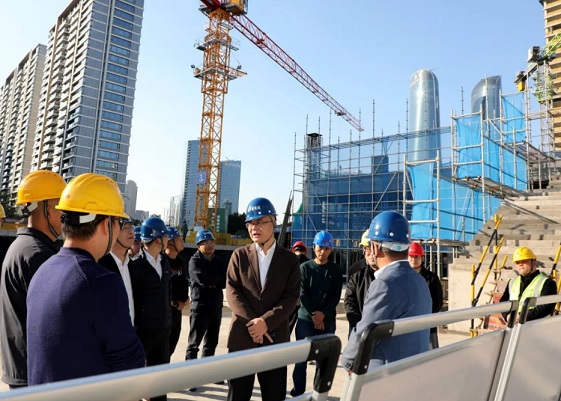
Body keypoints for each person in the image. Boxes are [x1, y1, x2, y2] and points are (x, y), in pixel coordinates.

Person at [26, 173, 145, 385]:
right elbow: (130, 364)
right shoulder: (101, 282)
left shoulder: (42, 271)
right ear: (105, 225)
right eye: (119, 221)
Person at [226, 197, 300, 401]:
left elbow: (291, 296)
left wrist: (266, 323)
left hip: (274, 340)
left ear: (273, 222)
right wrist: (254, 324)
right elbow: (232, 292)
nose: (254, 227)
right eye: (250, 223)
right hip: (242, 338)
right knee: (237, 396)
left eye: (260, 222)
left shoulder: (289, 260)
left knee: (274, 395)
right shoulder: (239, 256)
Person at [341, 211, 432, 371]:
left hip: (386, 374)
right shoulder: (420, 281)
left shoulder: (385, 284)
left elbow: (365, 332)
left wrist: (348, 361)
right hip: (413, 370)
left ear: (375, 247)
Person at [0, 170, 66, 389]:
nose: (66, 215)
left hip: (23, 371)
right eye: (61, 206)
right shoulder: (37, 255)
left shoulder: (22, 247)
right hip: (35, 377)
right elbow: (55, 325)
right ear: (47, 208)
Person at [290, 231, 342, 397]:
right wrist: (314, 315)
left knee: (324, 361)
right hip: (305, 319)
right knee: (301, 359)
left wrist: (323, 315)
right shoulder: (305, 268)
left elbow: (335, 296)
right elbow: (302, 294)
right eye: (320, 248)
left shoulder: (335, 270)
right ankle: (298, 392)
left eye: (326, 249)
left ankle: (320, 394)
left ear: (331, 250)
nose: (322, 252)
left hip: (327, 320)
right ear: (314, 247)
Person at [129, 216, 172, 401]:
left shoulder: (165, 263)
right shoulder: (136, 267)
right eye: (165, 236)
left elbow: (167, 294)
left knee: (160, 384)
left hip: (163, 332)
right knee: (135, 384)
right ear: (158, 239)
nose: (168, 240)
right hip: (143, 334)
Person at [185, 229, 227, 391]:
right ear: (198, 246)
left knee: (211, 342)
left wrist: (214, 282)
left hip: (215, 305)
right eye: (205, 243)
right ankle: (189, 377)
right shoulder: (194, 261)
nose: (209, 245)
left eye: (211, 242)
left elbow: (225, 280)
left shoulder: (219, 260)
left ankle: (207, 373)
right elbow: (204, 280)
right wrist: (215, 281)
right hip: (200, 306)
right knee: (194, 343)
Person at [499, 246, 557, 322]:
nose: (520, 264)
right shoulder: (512, 282)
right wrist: (507, 316)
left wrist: (521, 316)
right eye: (517, 262)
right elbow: (503, 302)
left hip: (536, 327)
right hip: (514, 326)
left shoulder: (547, 283)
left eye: (524, 261)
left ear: (534, 262)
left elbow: (547, 307)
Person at [98, 218, 136, 325]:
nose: (131, 231)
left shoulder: (133, 266)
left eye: (131, 226)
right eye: (125, 227)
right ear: (111, 230)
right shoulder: (100, 267)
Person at [408, 242, 443, 349]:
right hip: (407, 325)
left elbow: (437, 303)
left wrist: (424, 316)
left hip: (427, 325)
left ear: (422, 258)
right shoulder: (402, 277)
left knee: (429, 354)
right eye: (411, 257)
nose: (414, 260)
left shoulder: (431, 278)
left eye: (416, 257)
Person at [344, 229, 378, 336]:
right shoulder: (355, 271)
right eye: (368, 248)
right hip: (358, 330)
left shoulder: (389, 273)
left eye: (374, 248)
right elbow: (350, 301)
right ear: (363, 250)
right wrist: (359, 326)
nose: (371, 253)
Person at [166, 226, 189, 358]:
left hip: (177, 311)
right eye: (179, 239)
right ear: (170, 242)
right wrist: (174, 303)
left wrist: (184, 299)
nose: (182, 242)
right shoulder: (163, 261)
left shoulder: (180, 261)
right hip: (168, 311)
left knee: (171, 345)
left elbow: (182, 282)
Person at [289, 240, 309, 334]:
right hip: (306, 302)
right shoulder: (309, 263)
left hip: (292, 300)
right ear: (305, 251)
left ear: (293, 250)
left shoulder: (288, 263)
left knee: (288, 327)